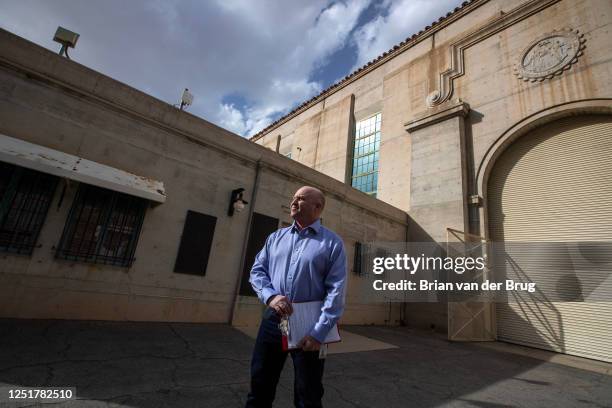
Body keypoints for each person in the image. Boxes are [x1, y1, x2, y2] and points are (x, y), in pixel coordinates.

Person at [246, 186, 347, 408]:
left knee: (307, 394)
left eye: (301, 199)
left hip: (309, 327)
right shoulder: (275, 238)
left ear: (317, 207)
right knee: (260, 385)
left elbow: (336, 291)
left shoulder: (332, 243)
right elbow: (257, 271)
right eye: (293, 198)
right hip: (274, 321)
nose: (294, 202)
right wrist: (271, 297)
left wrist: (319, 333)